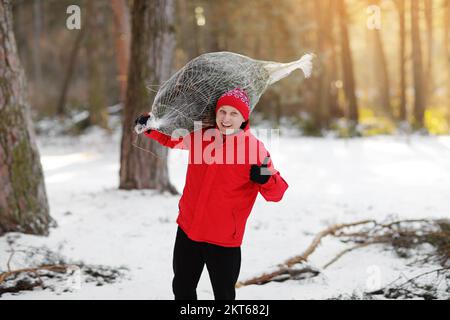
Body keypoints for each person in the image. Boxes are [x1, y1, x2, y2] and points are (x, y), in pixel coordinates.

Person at [135, 88, 288, 300]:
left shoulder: (255, 150)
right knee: (182, 288)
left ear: (244, 117)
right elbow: (172, 139)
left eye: (234, 114)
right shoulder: (202, 135)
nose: (226, 118)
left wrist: (266, 178)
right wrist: (150, 128)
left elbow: (277, 193)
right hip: (188, 229)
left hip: (223, 238)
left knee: (224, 296)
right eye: (222, 111)